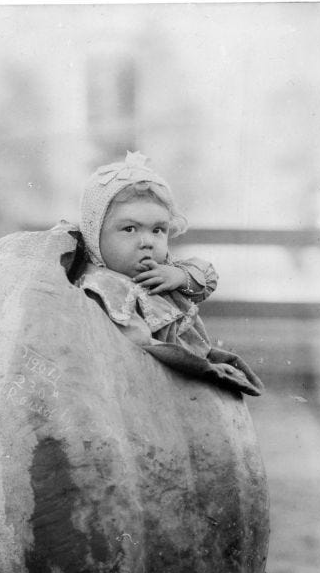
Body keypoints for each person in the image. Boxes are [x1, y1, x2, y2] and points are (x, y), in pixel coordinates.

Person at [75, 151, 263, 396]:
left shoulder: (165, 269)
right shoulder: (100, 286)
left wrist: (179, 277)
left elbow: (206, 276)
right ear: (95, 234)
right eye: (129, 229)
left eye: (158, 230)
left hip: (186, 379)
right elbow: (137, 343)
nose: (147, 242)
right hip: (139, 383)